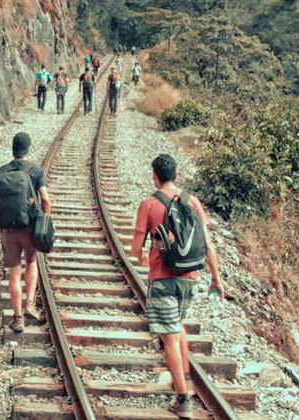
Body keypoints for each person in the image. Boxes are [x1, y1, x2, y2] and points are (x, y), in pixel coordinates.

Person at [129, 154, 224, 416]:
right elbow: (207, 243)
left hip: (162, 279)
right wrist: (216, 278)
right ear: (177, 174)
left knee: (169, 337)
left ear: (154, 175)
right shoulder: (191, 201)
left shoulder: (148, 204)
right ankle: (184, 378)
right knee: (178, 328)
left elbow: (135, 248)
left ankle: (182, 400)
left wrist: (144, 254)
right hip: (189, 280)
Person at [0, 132, 52, 332]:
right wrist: (45, 220)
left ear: (13, 148)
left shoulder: (2, 171)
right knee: (32, 261)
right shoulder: (35, 170)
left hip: (9, 229)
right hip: (28, 228)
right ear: (28, 148)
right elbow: (45, 199)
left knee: (14, 272)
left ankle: (17, 318)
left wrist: (0, 226)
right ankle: (30, 304)